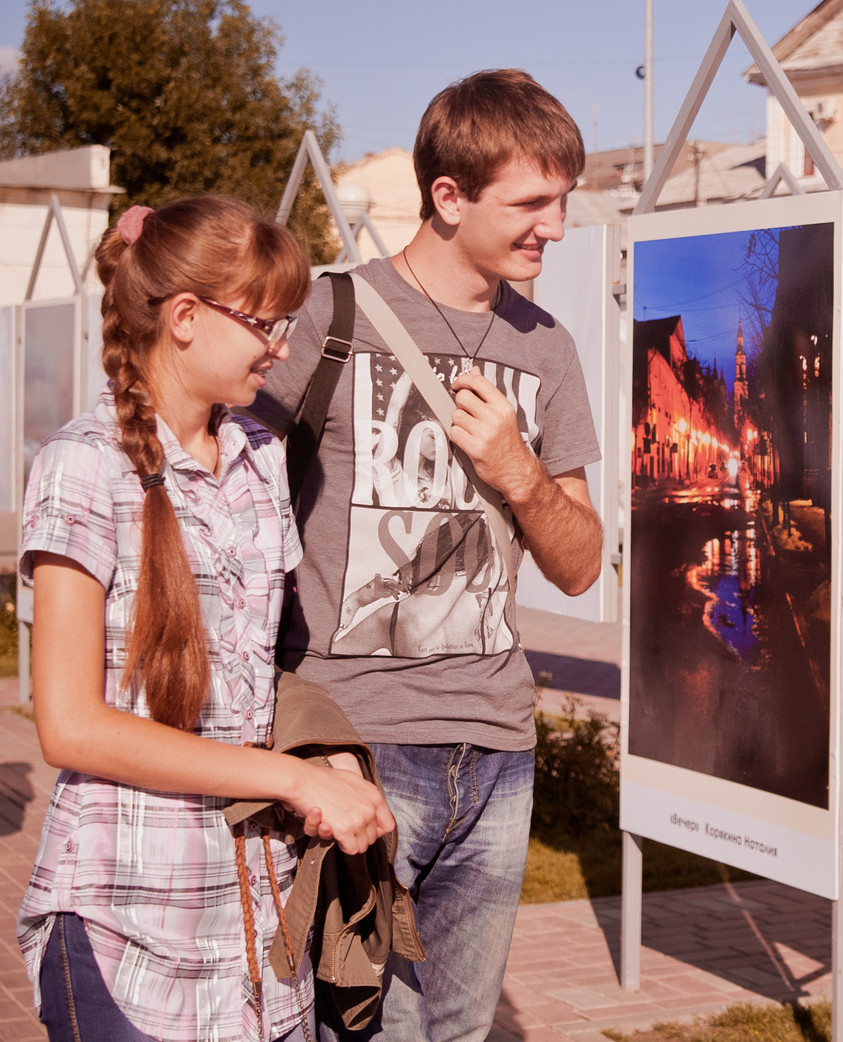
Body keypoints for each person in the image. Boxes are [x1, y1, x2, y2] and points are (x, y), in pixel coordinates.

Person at [248, 68, 604, 1042]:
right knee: (365, 1030)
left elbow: (580, 564)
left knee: (457, 1032)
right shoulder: (326, 320)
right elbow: (218, 498)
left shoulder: (549, 350)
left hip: (497, 749)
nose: (557, 226)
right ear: (448, 197)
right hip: (358, 746)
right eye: (532, 202)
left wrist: (519, 472)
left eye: (563, 199)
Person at [16, 197, 395, 1042]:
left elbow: (261, 668)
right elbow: (71, 727)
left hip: (260, 932)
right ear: (184, 317)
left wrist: (325, 754)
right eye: (265, 322)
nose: (282, 345)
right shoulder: (83, 466)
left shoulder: (262, 456)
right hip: (128, 923)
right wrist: (294, 781)